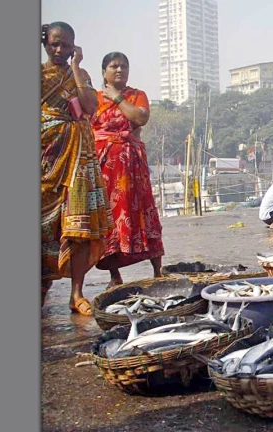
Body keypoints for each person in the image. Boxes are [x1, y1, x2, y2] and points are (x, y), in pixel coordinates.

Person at [41, 22, 113, 315]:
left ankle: (77, 293)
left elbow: (90, 106)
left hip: (79, 159)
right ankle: (42, 288)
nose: (60, 50)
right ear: (45, 44)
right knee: (43, 228)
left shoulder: (80, 75)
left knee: (80, 226)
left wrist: (76, 68)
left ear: (74, 47)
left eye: (66, 45)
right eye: (54, 44)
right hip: (46, 157)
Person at [91, 52, 165, 287]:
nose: (120, 70)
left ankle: (158, 271)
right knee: (109, 218)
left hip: (133, 165)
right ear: (104, 71)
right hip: (105, 167)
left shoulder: (136, 95)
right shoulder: (92, 98)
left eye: (124, 66)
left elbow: (140, 118)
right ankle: (115, 275)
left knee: (145, 211)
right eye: (114, 66)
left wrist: (118, 99)